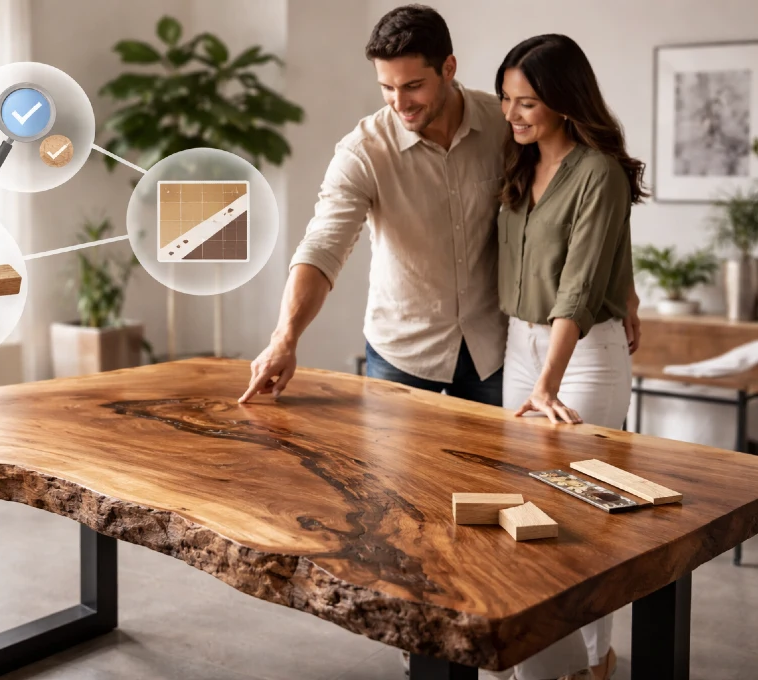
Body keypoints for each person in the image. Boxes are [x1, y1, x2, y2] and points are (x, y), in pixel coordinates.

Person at [238, 5, 640, 408]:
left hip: (492, 350)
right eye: (387, 87)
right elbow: (323, 246)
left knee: (498, 453)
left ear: (448, 68)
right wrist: (284, 338)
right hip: (404, 353)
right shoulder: (363, 152)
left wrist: (623, 288)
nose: (399, 102)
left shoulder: (504, 125)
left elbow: (587, 205)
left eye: (413, 86)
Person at [490, 33, 647, 680]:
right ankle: (547, 658)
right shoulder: (517, 164)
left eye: (527, 102)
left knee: (581, 513)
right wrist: (630, 286)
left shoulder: (598, 171)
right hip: (520, 345)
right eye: (506, 99)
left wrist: (549, 383)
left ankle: (592, 659)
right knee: (527, 507)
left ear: (562, 100)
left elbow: (580, 284)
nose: (512, 113)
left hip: (583, 356)